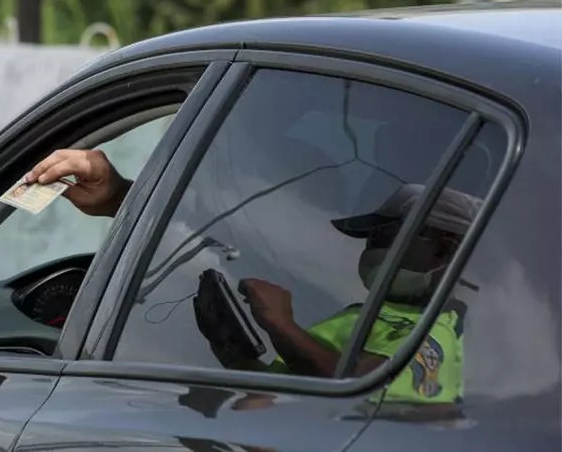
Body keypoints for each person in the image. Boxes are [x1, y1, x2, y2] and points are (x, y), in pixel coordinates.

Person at [28, 149, 473, 406]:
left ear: (445, 251)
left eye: (390, 239)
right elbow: (294, 397)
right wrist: (234, 353)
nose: (374, 252)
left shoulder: (435, 334)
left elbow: (357, 382)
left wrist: (281, 324)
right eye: (372, 240)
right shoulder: (367, 313)